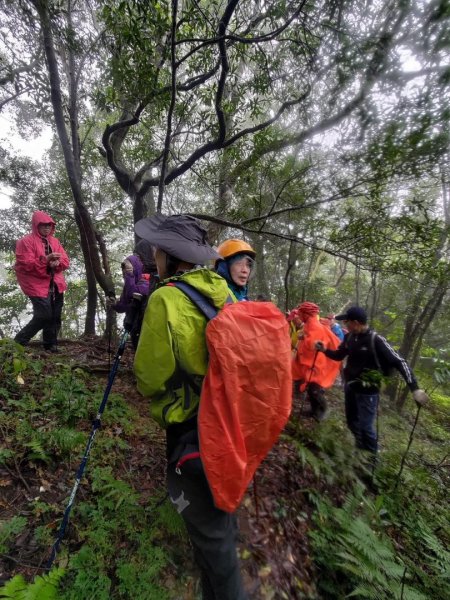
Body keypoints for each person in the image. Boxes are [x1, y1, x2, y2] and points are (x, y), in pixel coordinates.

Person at [133, 214, 248, 600]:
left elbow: (150, 376)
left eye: (156, 248)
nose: (152, 253)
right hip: (228, 421)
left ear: (166, 254)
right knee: (218, 518)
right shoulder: (224, 290)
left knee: (215, 545)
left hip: (191, 430)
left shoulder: (165, 297)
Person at [315, 306, 429, 453]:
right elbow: (339, 355)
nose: (345, 325)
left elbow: (400, 362)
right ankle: (361, 451)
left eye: (347, 322)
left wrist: (415, 388)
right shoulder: (350, 337)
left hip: (368, 392)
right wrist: (324, 350)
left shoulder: (376, 340)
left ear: (355, 322)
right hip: (350, 387)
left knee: (366, 428)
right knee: (352, 423)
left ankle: (371, 461)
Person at [14, 210, 69, 352]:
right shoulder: (25, 242)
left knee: (55, 314)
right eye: (43, 225)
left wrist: (57, 263)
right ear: (36, 225)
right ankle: (19, 342)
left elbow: (65, 260)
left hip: (56, 282)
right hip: (35, 284)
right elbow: (26, 264)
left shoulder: (55, 241)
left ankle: (50, 345)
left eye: (49, 225)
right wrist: (46, 261)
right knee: (44, 314)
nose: (47, 227)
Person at [292, 302, 341, 420]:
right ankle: (314, 410)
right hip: (309, 362)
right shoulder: (309, 324)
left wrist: (305, 338)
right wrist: (303, 337)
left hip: (316, 364)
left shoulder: (315, 326)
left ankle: (322, 410)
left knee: (314, 389)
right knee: (311, 389)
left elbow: (313, 344)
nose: (299, 315)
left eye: (300, 313)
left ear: (306, 313)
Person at [108, 244, 157, 348]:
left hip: (147, 323)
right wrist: (115, 304)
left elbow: (136, 294)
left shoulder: (150, 278)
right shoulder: (132, 279)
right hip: (133, 323)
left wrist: (130, 274)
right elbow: (126, 303)